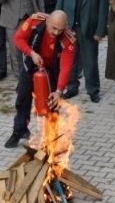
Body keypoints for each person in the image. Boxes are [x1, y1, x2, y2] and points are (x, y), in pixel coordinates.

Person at [5, 11, 77, 148]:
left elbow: (66, 67)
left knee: (52, 103)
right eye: (53, 28)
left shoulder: (68, 39)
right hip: (32, 64)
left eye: (60, 29)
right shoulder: (35, 22)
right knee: (22, 99)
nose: (56, 32)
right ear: (47, 21)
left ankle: (51, 136)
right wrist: (31, 53)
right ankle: (19, 130)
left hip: (52, 70)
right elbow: (18, 38)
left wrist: (59, 91)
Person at [55, 0, 111, 103]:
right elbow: (60, 1)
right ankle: (72, 87)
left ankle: (93, 90)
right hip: (69, 28)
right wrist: (57, 24)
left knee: (90, 61)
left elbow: (103, 10)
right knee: (70, 60)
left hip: (89, 30)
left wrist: (100, 31)